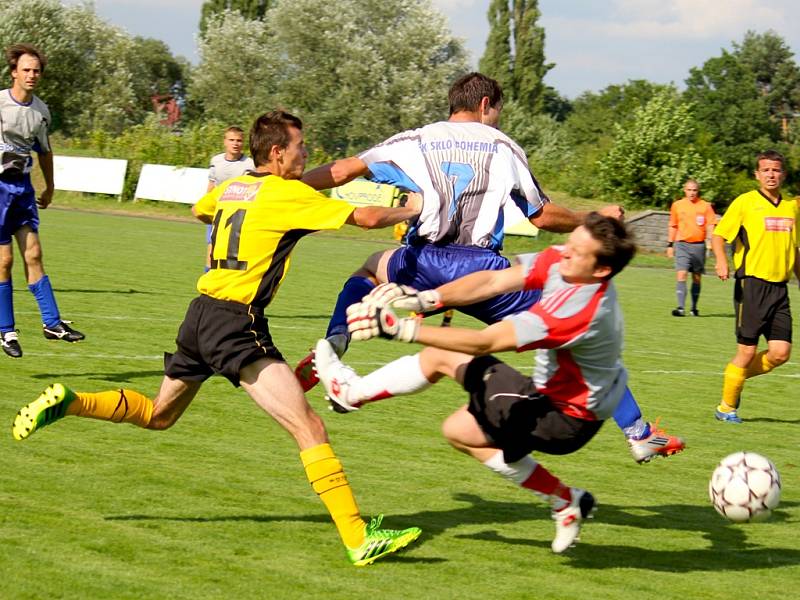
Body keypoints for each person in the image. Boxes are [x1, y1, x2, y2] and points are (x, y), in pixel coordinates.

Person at [11, 110, 422, 566]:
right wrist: (414, 209)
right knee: (309, 426)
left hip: (200, 315)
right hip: (236, 323)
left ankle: (72, 402)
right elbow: (364, 218)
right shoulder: (287, 194)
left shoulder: (235, 186)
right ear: (276, 152)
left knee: (159, 415)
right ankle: (358, 537)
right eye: (301, 146)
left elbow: (200, 209)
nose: (307, 154)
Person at [295, 72, 684, 463]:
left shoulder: (414, 140)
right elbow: (543, 217)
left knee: (367, 271)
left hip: (420, 261)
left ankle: (333, 347)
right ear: (485, 106)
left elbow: (342, 171)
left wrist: (287, 187)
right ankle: (638, 433)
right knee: (578, 335)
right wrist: (593, 216)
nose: (498, 118)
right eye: (498, 110)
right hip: (484, 272)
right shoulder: (503, 147)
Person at [315, 213, 635, 553]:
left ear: (601, 270)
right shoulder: (566, 262)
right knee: (460, 431)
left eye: (576, 251)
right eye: (569, 243)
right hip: (555, 402)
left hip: (564, 418)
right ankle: (565, 500)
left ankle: (350, 393)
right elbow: (491, 283)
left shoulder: (582, 309)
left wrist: (402, 328)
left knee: (440, 354)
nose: (563, 252)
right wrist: (426, 299)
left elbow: (486, 342)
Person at [0, 43, 84, 358]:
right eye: (26, 69)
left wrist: (49, 186)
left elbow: (44, 151)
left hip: (21, 189)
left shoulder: (41, 111)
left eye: (36, 70)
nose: (32, 75)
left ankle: (52, 322)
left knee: (34, 255)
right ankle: (6, 331)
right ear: (14, 72)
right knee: (4, 261)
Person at [711, 150, 800, 423]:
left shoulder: (791, 207)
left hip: (780, 289)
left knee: (780, 353)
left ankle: (734, 375)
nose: (771, 175)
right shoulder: (745, 203)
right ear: (757, 175)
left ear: (783, 174)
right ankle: (726, 407)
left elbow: (795, 249)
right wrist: (722, 262)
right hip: (751, 286)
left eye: (776, 170)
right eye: (766, 170)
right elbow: (718, 235)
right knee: (747, 351)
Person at [202, 126, 255, 270]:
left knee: (234, 249)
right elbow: (211, 185)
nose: (235, 143)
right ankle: (209, 276)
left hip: (237, 213)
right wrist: (207, 206)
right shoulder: (216, 161)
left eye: (239, 140)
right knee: (211, 245)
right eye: (232, 140)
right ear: (225, 141)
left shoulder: (249, 164)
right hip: (218, 211)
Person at [666, 179, 715, 316]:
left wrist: (710, 243)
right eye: (689, 190)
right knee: (681, 273)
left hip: (699, 245)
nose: (692, 193)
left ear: (698, 191)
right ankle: (680, 308)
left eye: (694, 190)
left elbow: (711, 224)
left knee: (697, 277)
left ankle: (694, 308)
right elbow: (673, 225)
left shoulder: (705, 206)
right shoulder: (677, 205)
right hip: (682, 244)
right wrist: (670, 245)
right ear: (684, 190)